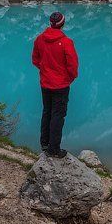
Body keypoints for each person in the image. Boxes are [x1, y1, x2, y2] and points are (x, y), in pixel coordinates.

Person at [31, 11, 78, 158]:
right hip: (61, 86)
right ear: (62, 24)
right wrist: (68, 78)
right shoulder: (66, 42)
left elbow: (35, 59)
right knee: (58, 116)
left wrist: (45, 70)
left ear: (50, 23)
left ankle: (45, 144)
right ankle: (54, 149)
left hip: (45, 83)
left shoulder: (40, 39)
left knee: (47, 112)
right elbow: (73, 66)